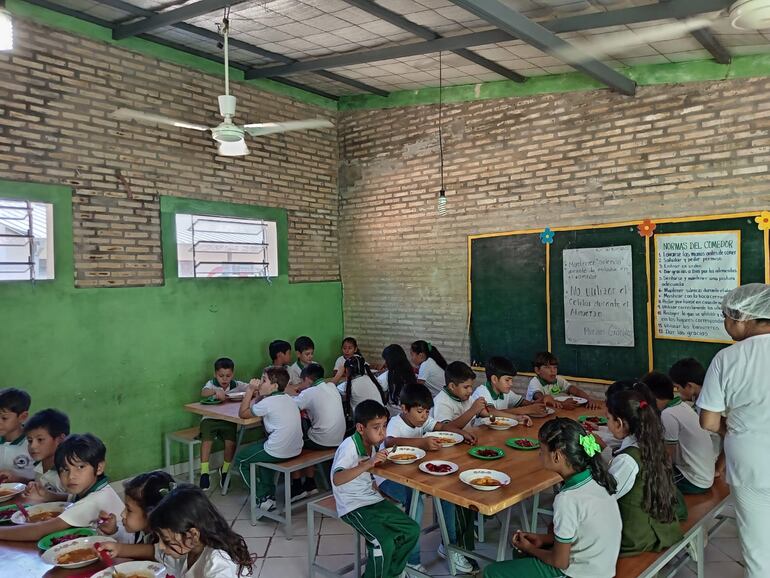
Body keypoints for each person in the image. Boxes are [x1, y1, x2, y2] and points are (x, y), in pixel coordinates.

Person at [484, 418, 621, 578]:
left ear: (557, 456)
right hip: (601, 567)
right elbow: (582, 533)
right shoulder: (598, 477)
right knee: (520, 555)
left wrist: (530, 548)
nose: (539, 454)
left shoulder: (567, 499)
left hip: (578, 574)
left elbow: (560, 562)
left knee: (491, 572)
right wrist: (543, 540)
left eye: (541, 450)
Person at [698, 283, 770, 578]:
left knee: (758, 548)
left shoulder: (728, 358)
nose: (725, 324)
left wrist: (729, 428)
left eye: (726, 317)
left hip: (750, 462)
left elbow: (708, 421)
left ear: (743, 317)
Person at [380, 383, 477, 574]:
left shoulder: (422, 421)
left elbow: (442, 426)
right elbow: (389, 442)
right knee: (416, 502)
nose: (424, 416)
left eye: (426, 411)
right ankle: (412, 560)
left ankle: (449, 547)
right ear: (404, 408)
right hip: (389, 479)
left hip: (417, 474)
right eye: (419, 412)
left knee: (447, 493)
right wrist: (422, 442)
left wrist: (461, 433)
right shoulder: (396, 424)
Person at [331, 400, 420, 578]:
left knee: (412, 530)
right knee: (383, 542)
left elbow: (369, 472)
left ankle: (393, 573)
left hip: (371, 499)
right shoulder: (349, 447)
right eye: (376, 427)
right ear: (360, 428)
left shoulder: (371, 444)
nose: (382, 432)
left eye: (384, 426)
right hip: (352, 505)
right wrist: (369, 464)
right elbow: (337, 478)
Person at [0, 433, 128, 541]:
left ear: (99, 468)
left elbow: (40, 530)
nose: (71, 476)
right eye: (65, 469)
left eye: (80, 467)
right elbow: (70, 498)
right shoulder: (97, 489)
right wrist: (47, 495)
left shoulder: (92, 502)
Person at [606, 385, 683, 555]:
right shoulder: (651, 443)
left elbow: (605, 496)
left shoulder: (627, 460)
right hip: (660, 525)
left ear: (619, 423)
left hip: (636, 537)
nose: (607, 424)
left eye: (608, 419)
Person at [150, 485, 255, 577]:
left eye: (166, 541)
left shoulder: (217, 561)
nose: (161, 546)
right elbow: (156, 552)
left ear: (193, 535)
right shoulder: (189, 548)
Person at [236, 366, 303, 510]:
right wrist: (260, 393)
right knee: (263, 458)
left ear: (274, 386)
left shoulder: (268, 403)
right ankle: (269, 497)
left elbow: (243, 413)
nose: (260, 383)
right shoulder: (288, 398)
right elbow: (259, 404)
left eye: (264, 380)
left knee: (240, 460)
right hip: (295, 448)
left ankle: (262, 497)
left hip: (279, 450)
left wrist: (249, 390)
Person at [642, 371, 715, 494]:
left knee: (644, 480)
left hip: (693, 480)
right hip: (704, 475)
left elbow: (667, 456)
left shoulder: (668, 414)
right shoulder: (681, 406)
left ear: (651, 397)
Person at [290, 362, 345, 500]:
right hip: (339, 439)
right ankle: (310, 483)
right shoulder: (331, 386)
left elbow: (290, 407)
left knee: (293, 438)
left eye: (302, 381)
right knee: (306, 429)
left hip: (322, 441)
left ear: (308, 380)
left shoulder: (309, 392)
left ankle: (297, 486)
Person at [96, 470, 176, 557]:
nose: (122, 514)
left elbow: (155, 552)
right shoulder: (143, 533)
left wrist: (120, 549)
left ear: (151, 515)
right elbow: (130, 541)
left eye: (129, 510)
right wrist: (113, 531)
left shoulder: (171, 548)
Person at [669, 357, 724, 478]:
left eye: (677, 388)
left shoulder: (711, 404)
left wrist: (718, 468)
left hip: (708, 462)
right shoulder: (700, 399)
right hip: (702, 459)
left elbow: (728, 434)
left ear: (689, 386)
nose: (677, 392)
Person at [199, 357, 249, 490]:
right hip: (210, 418)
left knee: (231, 442)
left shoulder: (236, 384)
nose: (225, 379)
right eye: (221, 376)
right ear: (216, 374)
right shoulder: (212, 384)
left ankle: (225, 469)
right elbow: (203, 392)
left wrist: (253, 389)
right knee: (207, 440)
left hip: (228, 419)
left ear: (232, 374)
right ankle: (204, 472)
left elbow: (249, 387)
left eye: (228, 376)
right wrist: (215, 391)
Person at [470, 356, 544, 420]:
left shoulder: (505, 392)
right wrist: (525, 410)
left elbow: (524, 403)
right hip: (480, 430)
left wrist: (538, 403)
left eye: (512, 380)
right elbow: (491, 412)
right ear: (494, 379)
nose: (511, 384)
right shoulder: (482, 392)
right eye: (507, 380)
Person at [22, 408, 70, 503]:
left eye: (40, 440)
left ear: (60, 439)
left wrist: (51, 496)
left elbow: (79, 498)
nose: (33, 446)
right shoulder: (38, 467)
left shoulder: (68, 471)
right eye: (30, 441)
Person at [526, 352, 601, 410]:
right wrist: (562, 404)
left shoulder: (557, 379)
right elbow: (541, 399)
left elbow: (575, 391)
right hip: (535, 417)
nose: (553, 371)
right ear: (537, 370)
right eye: (548, 367)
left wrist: (589, 399)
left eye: (555, 367)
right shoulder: (535, 382)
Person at [431, 361, 488, 429]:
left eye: (471, 386)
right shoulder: (442, 402)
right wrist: (473, 410)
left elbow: (482, 412)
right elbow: (446, 429)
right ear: (452, 386)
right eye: (466, 387)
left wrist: (481, 407)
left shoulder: (466, 397)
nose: (470, 391)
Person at [0, 387, 34, 482]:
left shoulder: (34, 444)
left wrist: (19, 480)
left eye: (4, 418)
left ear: (23, 417)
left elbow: (45, 480)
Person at [379, 343, 417, 413]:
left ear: (390, 360)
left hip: (395, 411)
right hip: (410, 410)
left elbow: (380, 388)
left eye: (386, 360)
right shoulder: (409, 370)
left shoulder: (389, 375)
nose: (385, 363)